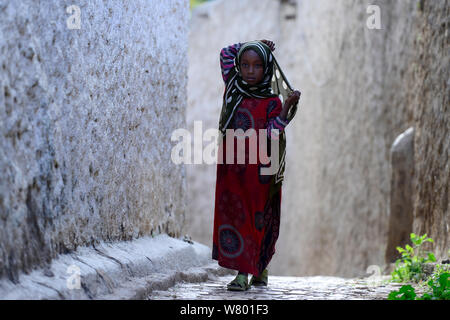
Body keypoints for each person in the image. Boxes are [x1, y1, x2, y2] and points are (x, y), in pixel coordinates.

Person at [212, 39, 301, 291]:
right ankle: (256, 270)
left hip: (260, 172)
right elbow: (225, 52)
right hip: (232, 170)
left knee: (257, 218)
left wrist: (285, 109)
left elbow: (273, 134)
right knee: (236, 217)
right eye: (245, 65)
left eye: (257, 65)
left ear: (267, 68)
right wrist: (255, 42)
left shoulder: (271, 101)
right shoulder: (233, 87)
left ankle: (247, 272)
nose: (250, 71)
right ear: (239, 66)